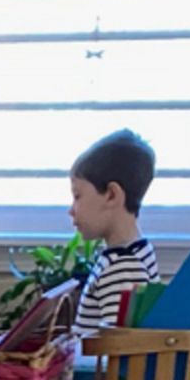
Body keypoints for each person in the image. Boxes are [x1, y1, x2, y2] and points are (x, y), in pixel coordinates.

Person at [70, 128, 158, 340]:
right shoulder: (135, 251)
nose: (71, 210)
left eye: (77, 196)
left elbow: (116, 349)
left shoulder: (122, 268)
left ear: (111, 195)